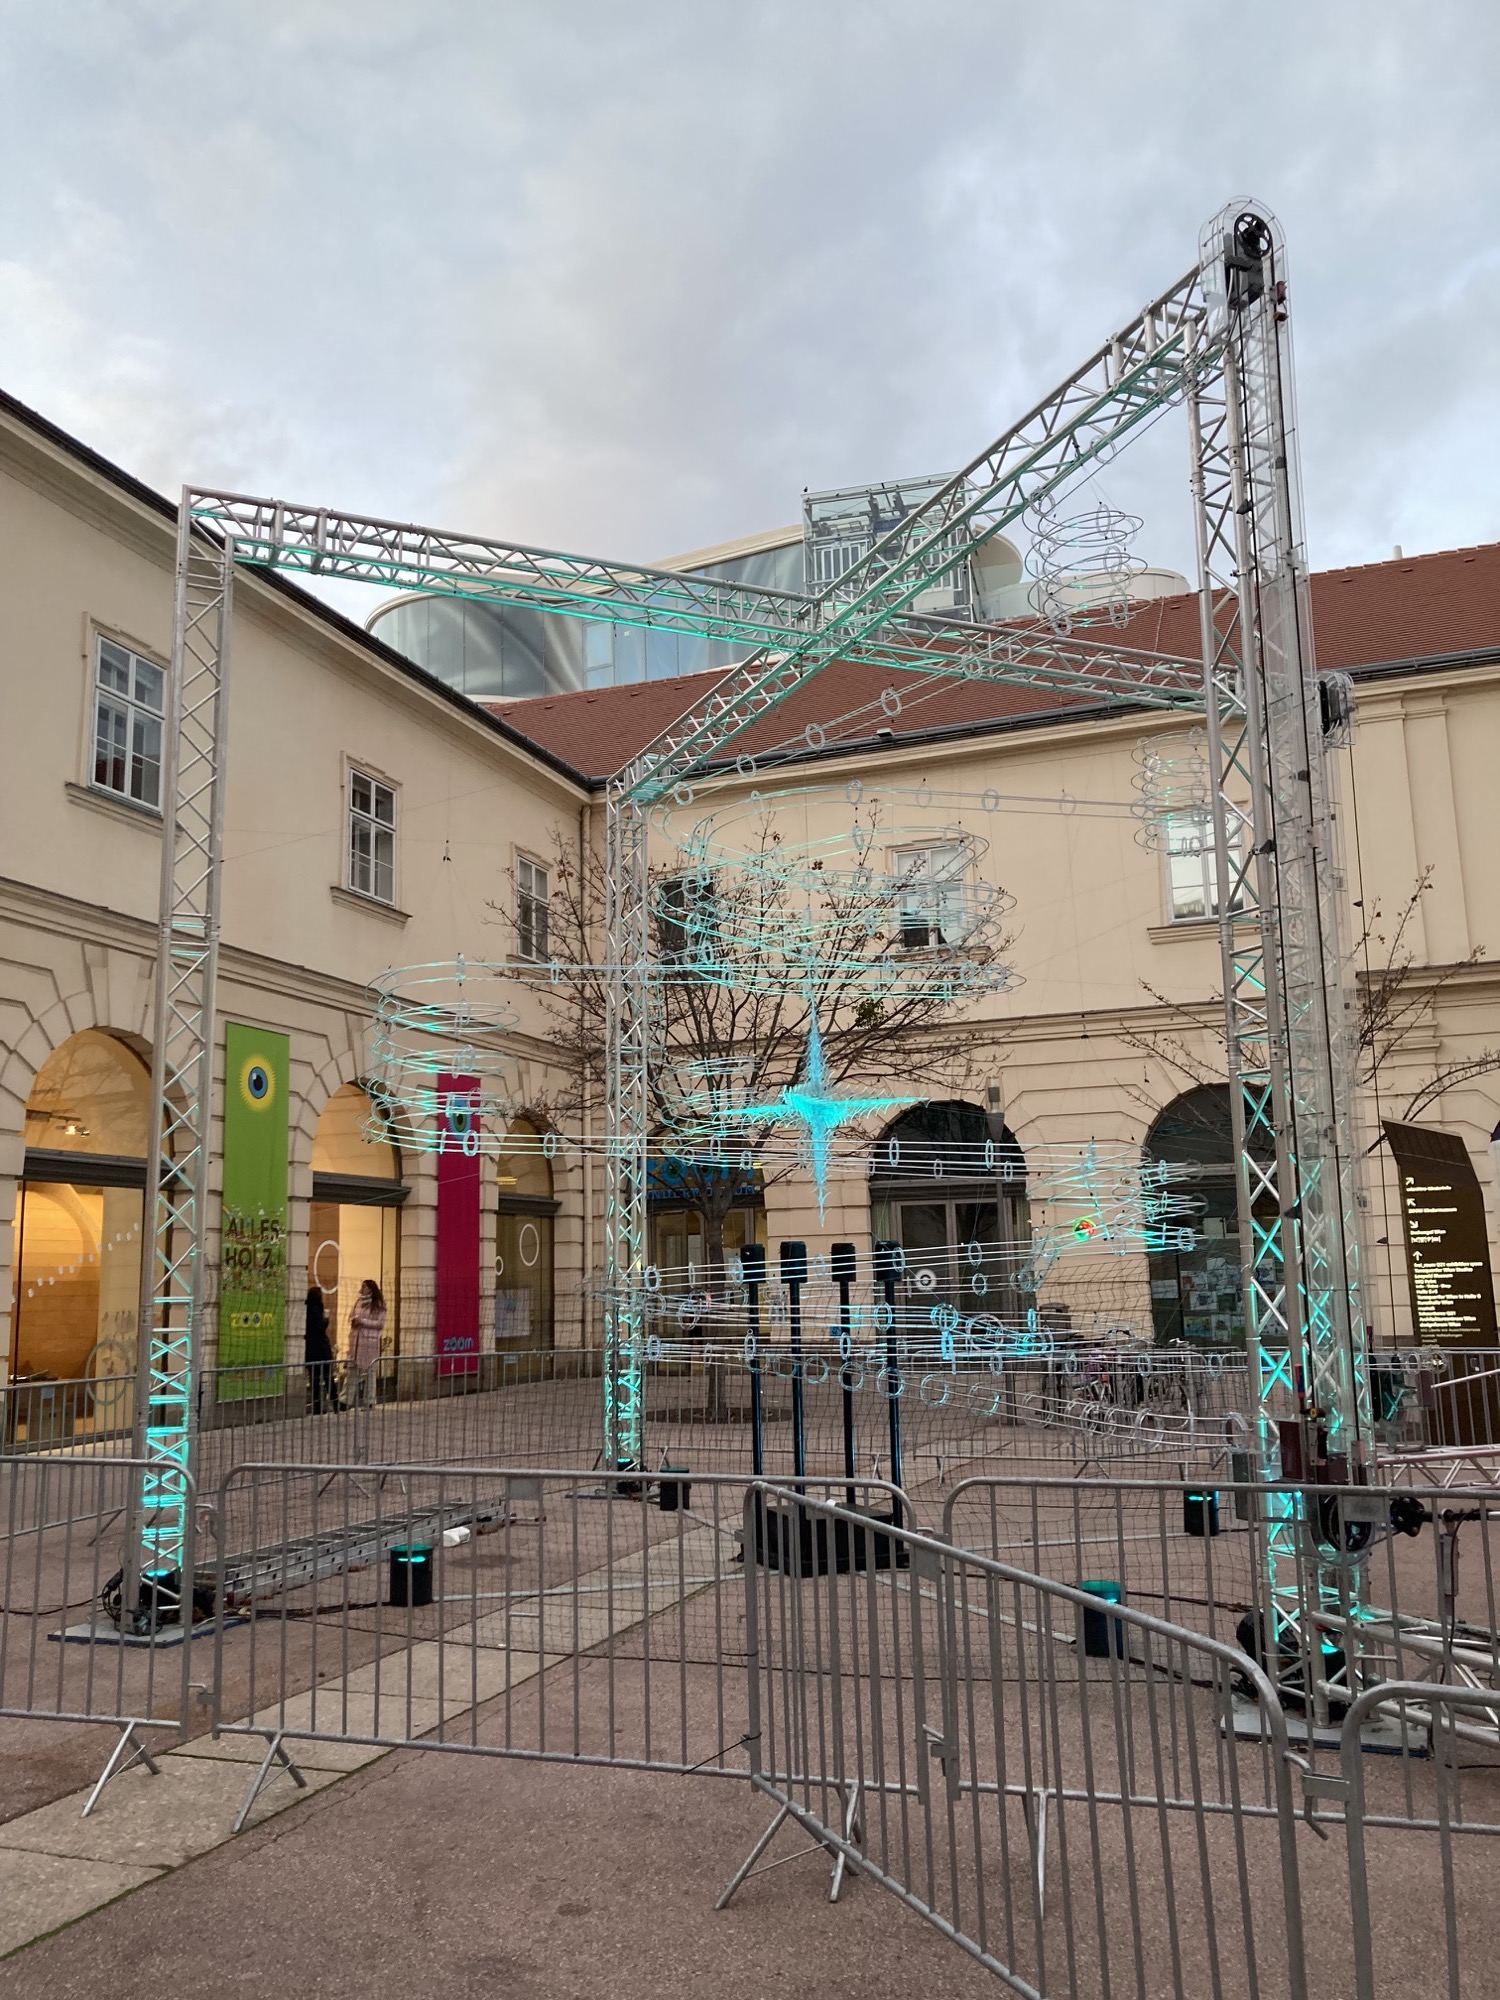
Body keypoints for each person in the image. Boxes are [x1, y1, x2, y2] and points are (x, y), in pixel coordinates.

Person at [345, 1278, 387, 1410]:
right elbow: (351, 1315)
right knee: (351, 1370)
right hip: (356, 1341)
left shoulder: (378, 1305)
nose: (361, 1289)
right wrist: (353, 1320)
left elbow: (380, 1323)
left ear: (370, 1288)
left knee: (370, 1371)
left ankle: (370, 1400)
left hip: (369, 1342)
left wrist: (363, 1321)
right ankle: (345, 1400)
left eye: (364, 1286)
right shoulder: (358, 1302)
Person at [304, 1285, 339, 1414]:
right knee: (328, 1377)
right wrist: (326, 1320)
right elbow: (320, 1327)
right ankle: (335, 1403)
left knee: (314, 1379)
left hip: (310, 1349)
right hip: (321, 1350)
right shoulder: (317, 1309)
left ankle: (317, 1406)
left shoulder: (306, 1308)